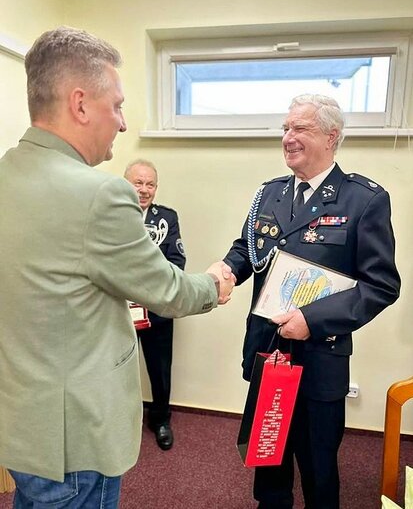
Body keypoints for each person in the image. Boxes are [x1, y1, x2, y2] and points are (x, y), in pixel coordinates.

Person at [0, 26, 234, 509]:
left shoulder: (7, 172)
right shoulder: (100, 194)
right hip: (76, 436)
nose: (123, 123)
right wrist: (215, 282)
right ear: (81, 104)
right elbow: (169, 291)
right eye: (118, 106)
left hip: (20, 422)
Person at [221, 94, 401, 508]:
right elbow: (248, 248)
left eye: (300, 128)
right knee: (269, 459)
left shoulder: (364, 199)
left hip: (320, 358)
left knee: (319, 467)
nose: (288, 137)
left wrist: (312, 319)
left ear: (331, 136)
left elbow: (381, 285)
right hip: (269, 351)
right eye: (285, 129)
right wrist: (226, 269)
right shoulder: (270, 194)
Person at [124, 159, 185, 450]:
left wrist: (146, 288)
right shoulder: (111, 215)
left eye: (150, 184)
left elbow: (176, 262)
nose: (144, 190)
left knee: (160, 368)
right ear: (125, 184)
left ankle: (160, 419)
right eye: (138, 183)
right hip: (118, 309)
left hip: (157, 308)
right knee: (118, 368)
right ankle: (124, 421)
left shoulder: (167, 218)